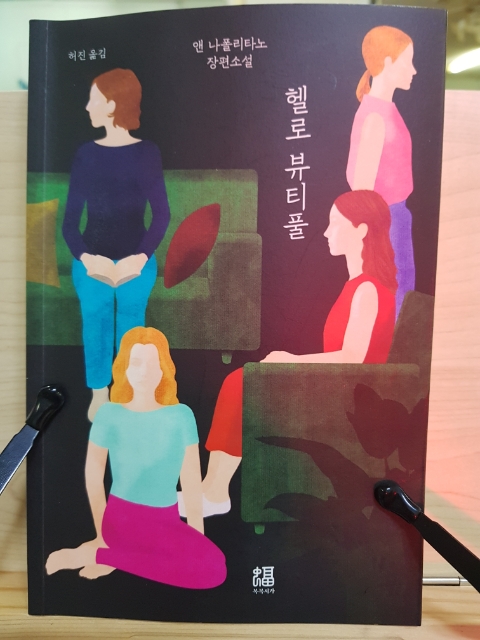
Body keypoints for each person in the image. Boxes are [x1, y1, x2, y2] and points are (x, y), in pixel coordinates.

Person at [179, 190, 397, 517]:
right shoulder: (356, 285)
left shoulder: (368, 289)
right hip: (335, 384)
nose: (326, 232)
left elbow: (353, 358)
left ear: (361, 229)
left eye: (335, 223)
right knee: (241, 380)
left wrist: (291, 361)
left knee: (241, 383)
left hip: (348, 395)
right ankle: (212, 487)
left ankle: (215, 491)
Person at [45, 327, 227, 589]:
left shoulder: (182, 416)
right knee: (207, 571)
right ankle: (102, 551)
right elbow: (94, 478)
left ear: (163, 369)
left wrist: (197, 537)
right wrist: (102, 535)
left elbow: (190, 480)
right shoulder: (109, 414)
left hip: (166, 523)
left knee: (215, 568)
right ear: (125, 368)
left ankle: (102, 557)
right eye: (136, 363)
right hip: (121, 521)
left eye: (152, 364)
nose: (144, 372)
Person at [62, 69, 170, 421]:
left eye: (93, 100)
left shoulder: (148, 152)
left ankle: (126, 392)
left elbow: (162, 215)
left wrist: (138, 259)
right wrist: (87, 258)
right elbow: (69, 224)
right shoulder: (85, 154)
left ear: (111, 104)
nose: (87, 107)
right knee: (95, 317)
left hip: (136, 260)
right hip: (91, 259)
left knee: (131, 325)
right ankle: (99, 393)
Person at [346, 26, 416, 317]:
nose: (413, 71)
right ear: (388, 62)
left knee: (400, 296)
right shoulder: (375, 116)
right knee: (393, 298)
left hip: (394, 218)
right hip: (386, 222)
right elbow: (361, 190)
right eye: (407, 62)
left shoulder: (382, 108)